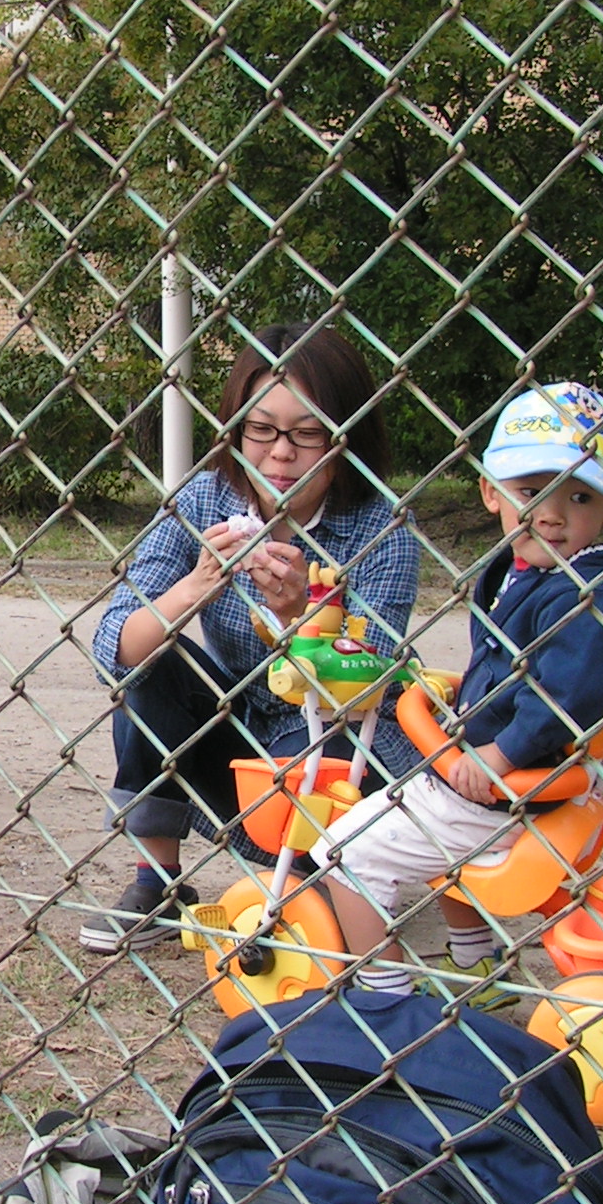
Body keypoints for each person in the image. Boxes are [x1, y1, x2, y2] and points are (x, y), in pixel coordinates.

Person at [308, 381, 603, 1006]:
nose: (550, 514)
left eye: (578, 495)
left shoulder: (585, 594)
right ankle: (477, 967)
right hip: (508, 776)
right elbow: (515, 668)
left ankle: (383, 995)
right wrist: (464, 692)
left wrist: (499, 754)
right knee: (430, 839)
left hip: (506, 785)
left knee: (343, 850)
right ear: (491, 492)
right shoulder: (524, 570)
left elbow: (566, 695)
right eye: (530, 491)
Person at [80, 322, 421, 954]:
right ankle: (157, 881)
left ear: (345, 438)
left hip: (333, 739)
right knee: (153, 665)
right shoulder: (204, 499)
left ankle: (321, 879)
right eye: (260, 430)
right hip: (237, 721)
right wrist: (194, 588)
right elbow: (115, 648)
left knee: (328, 762)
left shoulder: (382, 530)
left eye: (306, 433)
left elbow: (364, 687)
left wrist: (301, 618)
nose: (280, 454)